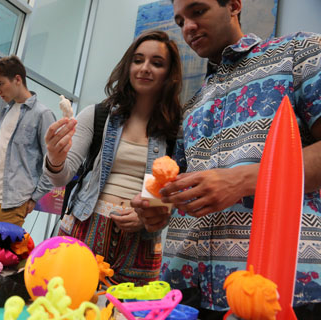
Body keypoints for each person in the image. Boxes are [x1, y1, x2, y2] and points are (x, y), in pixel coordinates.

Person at [132, 0, 321, 318]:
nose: (187, 27)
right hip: (185, 291)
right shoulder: (192, 103)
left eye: (198, 11)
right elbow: (179, 186)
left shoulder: (299, 51)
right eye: (180, 21)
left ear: (233, 5)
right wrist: (158, 209)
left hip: (277, 292)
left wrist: (244, 180)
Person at [44, 30, 182, 285]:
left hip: (141, 243)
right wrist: (54, 156)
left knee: (127, 312)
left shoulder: (176, 131)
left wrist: (148, 214)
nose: (145, 68)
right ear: (128, 65)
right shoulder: (96, 115)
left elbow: (175, 193)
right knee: (64, 307)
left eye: (157, 63)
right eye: (138, 60)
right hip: (84, 226)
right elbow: (60, 177)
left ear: (169, 75)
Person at [0, 55, 56, 227]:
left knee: (2, 253)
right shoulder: (6, 111)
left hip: (13, 202)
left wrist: (34, 197)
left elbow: (53, 162)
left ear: (17, 79)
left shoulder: (42, 114)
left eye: (0, 84)